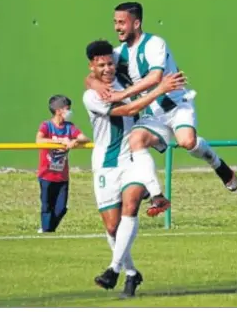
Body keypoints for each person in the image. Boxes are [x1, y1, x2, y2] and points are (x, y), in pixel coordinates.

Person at [86, 3, 237, 216]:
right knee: (135, 140)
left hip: (176, 106)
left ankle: (217, 163)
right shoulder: (118, 53)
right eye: (115, 22)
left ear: (136, 23)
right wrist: (95, 84)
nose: (117, 27)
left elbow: (155, 78)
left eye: (121, 22)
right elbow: (94, 71)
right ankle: (156, 194)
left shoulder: (155, 43)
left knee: (187, 142)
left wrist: (121, 95)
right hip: (152, 114)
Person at [83, 40, 186, 297]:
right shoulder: (92, 96)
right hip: (106, 165)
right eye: (101, 65)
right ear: (92, 66)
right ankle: (132, 273)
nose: (107, 68)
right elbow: (128, 108)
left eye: (110, 63)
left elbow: (138, 93)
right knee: (111, 228)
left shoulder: (125, 82)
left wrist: (158, 87)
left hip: (132, 162)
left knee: (130, 207)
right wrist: (159, 88)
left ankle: (113, 269)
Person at [36, 95, 90, 233]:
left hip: (62, 176)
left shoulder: (69, 127)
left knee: (61, 208)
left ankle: (48, 229)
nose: (69, 111)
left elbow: (84, 138)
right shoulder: (46, 125)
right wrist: (60, 142)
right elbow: (39, 140)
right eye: (67, 109)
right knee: (47, 206)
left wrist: (75, 141)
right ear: (58, 110)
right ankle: (47, 231)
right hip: (46, 174)